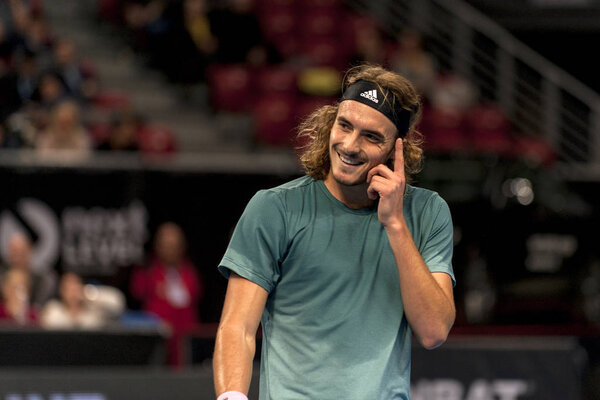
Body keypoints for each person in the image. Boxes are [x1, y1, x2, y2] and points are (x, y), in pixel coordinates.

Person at [213, 63, 456, 399]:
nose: (350, 145)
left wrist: (396, 225)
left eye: (371, 136)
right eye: (345, 126)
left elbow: (434, 331)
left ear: (397, 149)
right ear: (330, 123)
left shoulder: (428, 213)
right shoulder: (274, 209)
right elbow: (237, 328)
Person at [130, 221, 203, 366]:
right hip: (158, 347)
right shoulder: (147, 272)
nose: (171, 250)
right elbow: (137, 292)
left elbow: (195, 296)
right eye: (167, 245)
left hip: (185, 345)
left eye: (175, 245)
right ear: (158, 246)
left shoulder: (190, 273)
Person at [40, 272, 125, 330]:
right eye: (68, 288)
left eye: (75, 286)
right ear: (61, 291)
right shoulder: (54, 309)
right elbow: (50, 323)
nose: (72, 292)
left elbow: (118, 304)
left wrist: (90, 295)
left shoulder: (94, 311)